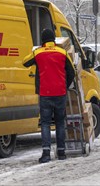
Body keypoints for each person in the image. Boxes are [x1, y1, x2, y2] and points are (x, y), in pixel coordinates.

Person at [23, 29, 75, 163]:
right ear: (53, 40)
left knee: (45, 123)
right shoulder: (62, 52)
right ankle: (62, 152)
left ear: (42, 40)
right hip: (60, 93)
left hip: (45, 94)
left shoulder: (38, 53)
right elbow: (72, 72)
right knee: (59, 122)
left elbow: (25, 62)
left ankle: (46, 153)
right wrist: (65, 85)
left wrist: (37, 51)